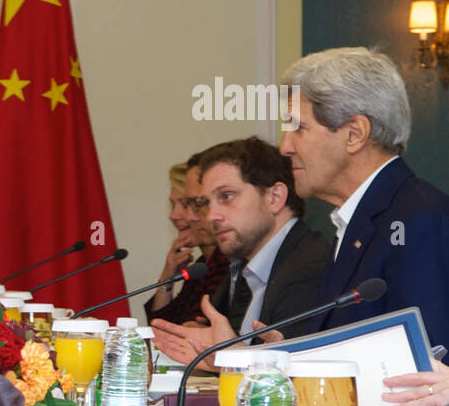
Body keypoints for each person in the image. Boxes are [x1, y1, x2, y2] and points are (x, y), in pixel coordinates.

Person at [279, 46, 449, 348]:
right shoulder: (363, 216)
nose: (285, 147)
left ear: (355, 134)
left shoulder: (418, 220)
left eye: (299, 129)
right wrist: (281, 358)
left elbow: (425, 363)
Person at [151, 138, 331, 368]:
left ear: (274, 197)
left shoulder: (309, 267)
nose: (211, 216)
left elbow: (298, 375)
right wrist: (218, 355)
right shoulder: (250, 267)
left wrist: (233, 358)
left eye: (226, 196)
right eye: (207, 203)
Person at [144, 150, 229, 325]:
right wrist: (168, 277)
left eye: (187, 204)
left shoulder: (227, 262)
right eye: (172, 205)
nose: (174, 215)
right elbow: (160, 326)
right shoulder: (201, 265)